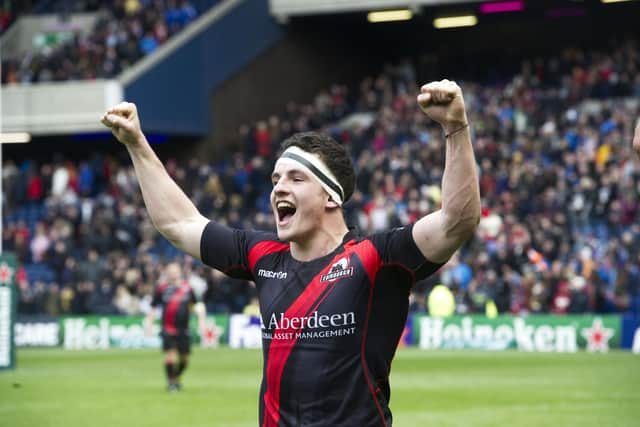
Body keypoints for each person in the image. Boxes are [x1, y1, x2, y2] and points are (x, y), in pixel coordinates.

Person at [102, 79, 480, 425]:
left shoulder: (375, 257)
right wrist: (137, 144)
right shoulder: (262, 255)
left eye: (296, 178)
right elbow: (178, 224)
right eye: (276, 179)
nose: (278, 188)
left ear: (331, 196)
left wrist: (455, 128)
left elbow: (457, 221)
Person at [145, 262, 207, 392]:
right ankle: (171, 382)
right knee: (170, 356)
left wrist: (201, 321)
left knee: (185, 360)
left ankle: (175, 377)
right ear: (167, 273)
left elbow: (195, 306)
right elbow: (153, 307)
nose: (173, 274)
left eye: (175, 271)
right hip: (168, 329)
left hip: (184, 329)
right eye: (171, 271)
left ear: (180, 272)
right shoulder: (161, 289)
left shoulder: (188, 289)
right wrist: (149, 324)